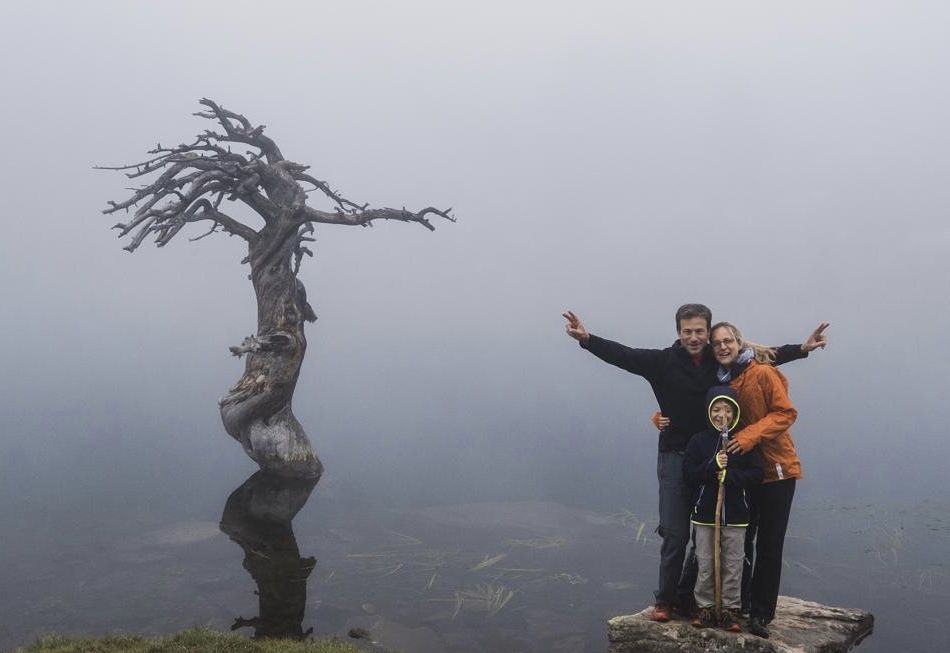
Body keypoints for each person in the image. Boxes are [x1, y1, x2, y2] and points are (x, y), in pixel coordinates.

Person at [562, 305, 828, 621]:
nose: (694, 337)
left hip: (728, 458)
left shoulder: (723, 363)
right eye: (688, 331)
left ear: (709, 333)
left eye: (700, 331)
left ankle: (723, 605)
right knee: (685, 531)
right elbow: (625, 356)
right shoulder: (667, 362)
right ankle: (672, 599)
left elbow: (761, 358)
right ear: (678, 332)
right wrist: (587, 339)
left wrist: (801, 349)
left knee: (722, 530)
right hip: (687, 456)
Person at [713, 321, 801, 639]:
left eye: (727, 341)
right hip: (744, 473)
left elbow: (785, 413)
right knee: (741, 541)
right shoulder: (721, 381)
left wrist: (749, 436)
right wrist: (662, 418)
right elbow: (702, 412)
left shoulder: (762, 373)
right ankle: (742, 604)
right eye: (717, 343)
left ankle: (761, 614)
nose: (722, 346)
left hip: (777, 471)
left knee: (769, 544)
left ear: (738, 343)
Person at [683, 385, 762, 632]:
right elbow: (689, 474)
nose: (722, 415)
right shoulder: (698, 441)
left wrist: (731, 477)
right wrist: (713, 465)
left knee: (734, 564)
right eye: (716, 409)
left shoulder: (743, 442)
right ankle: (705, 608)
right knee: (705, 561)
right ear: (709, 412)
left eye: (728, 410)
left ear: (736, 412)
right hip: (705, 514)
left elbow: (757, 474)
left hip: (736, 516)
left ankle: (730, 610)